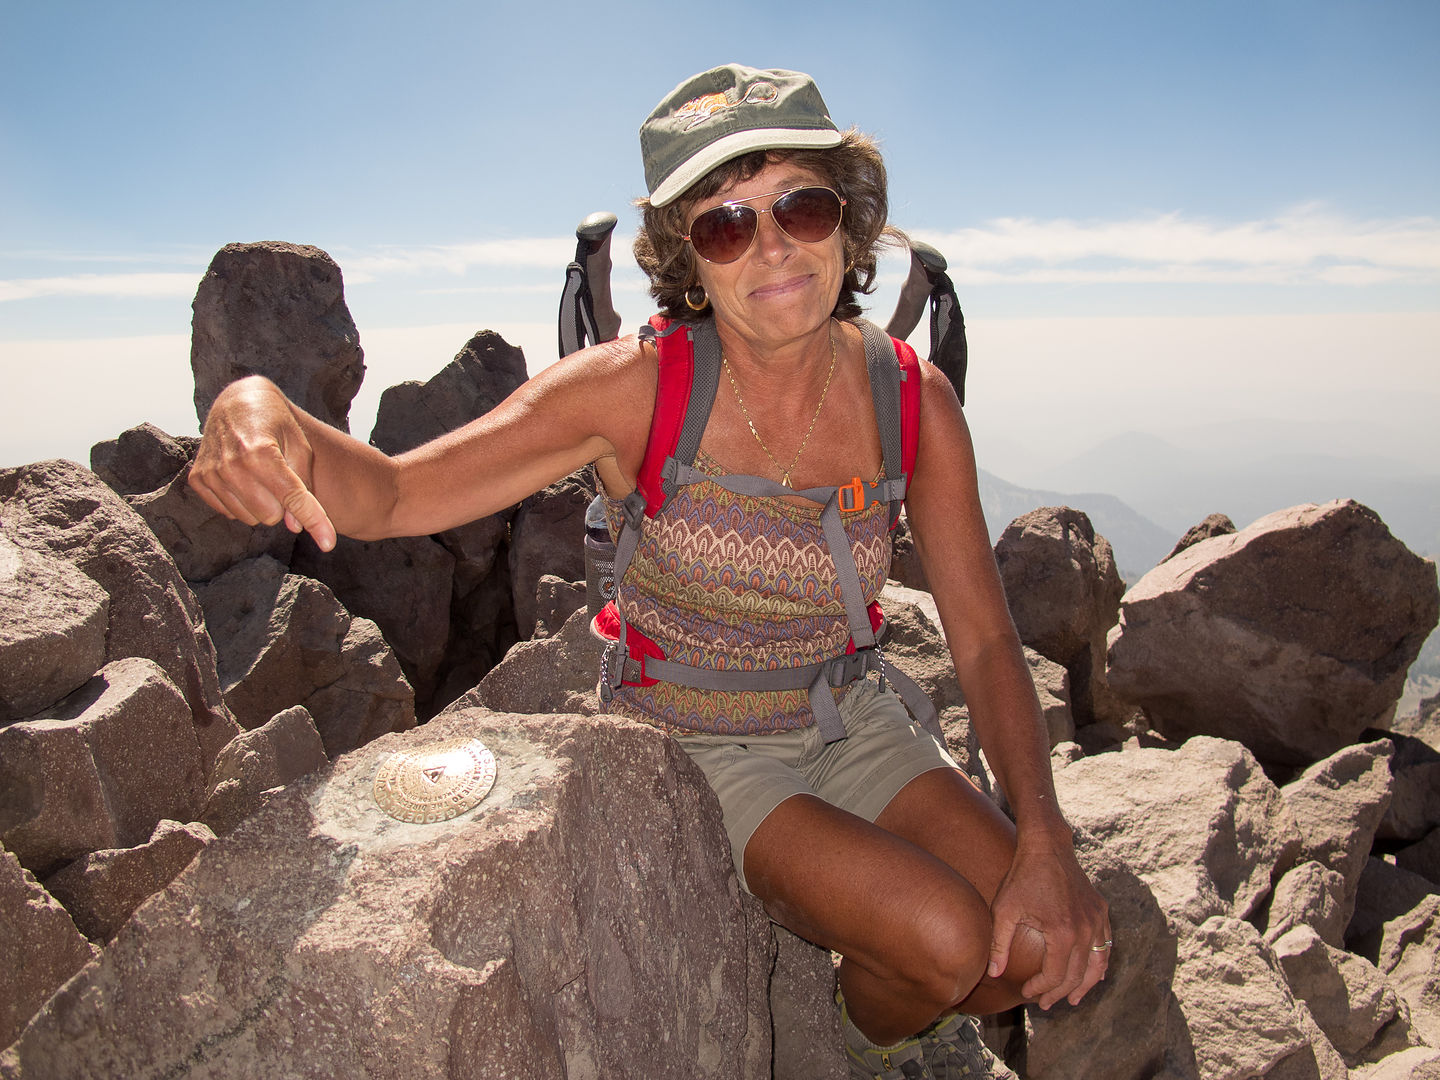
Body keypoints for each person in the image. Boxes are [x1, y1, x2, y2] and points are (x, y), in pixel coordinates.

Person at [189, 63, 1110, 1080]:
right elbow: (396, 497)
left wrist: (1045, 842)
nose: (770, 248)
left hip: (853, 718)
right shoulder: (635, 390)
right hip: (699, 742)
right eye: (724, 225)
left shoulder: (911, 398)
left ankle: (907, 996)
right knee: (942, 939)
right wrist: (257, 403)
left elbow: (980, 639)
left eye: (800, 206)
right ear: (686, 256)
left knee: (1024, 951)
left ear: (849, 222)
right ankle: (853, 1038)